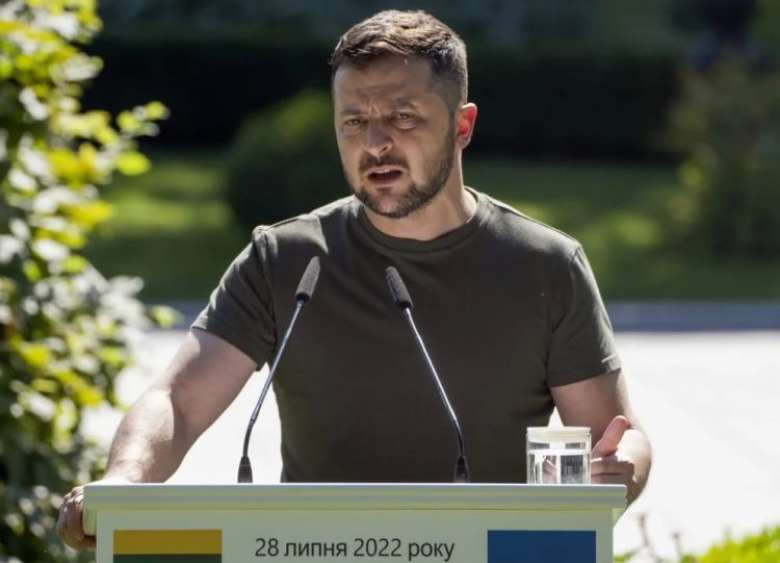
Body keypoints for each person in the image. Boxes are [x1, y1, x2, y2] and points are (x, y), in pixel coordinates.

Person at [57, 10, 652, 550]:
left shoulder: (545, 265)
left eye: (402, 118)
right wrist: (124, 482)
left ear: (462, 125)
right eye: (354, 121)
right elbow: (178, 402)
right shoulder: (286, 258)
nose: (375, 144)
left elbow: (615, 438)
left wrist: (620, 469)